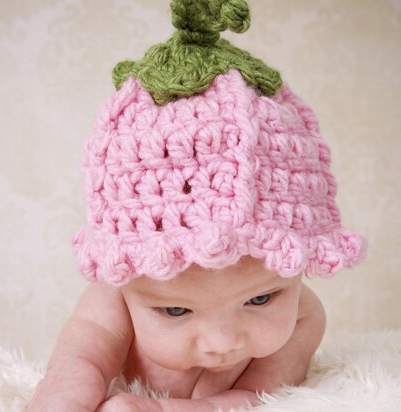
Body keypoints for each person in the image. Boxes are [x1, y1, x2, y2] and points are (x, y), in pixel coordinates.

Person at [28, 1, 366, 411]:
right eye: (175, 309)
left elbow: (258, 399)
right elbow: (76, 363)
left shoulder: (303, 317)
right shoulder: (111, 299)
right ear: (127, 274)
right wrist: (66, 393)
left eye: (260, 300)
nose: (222, 343)